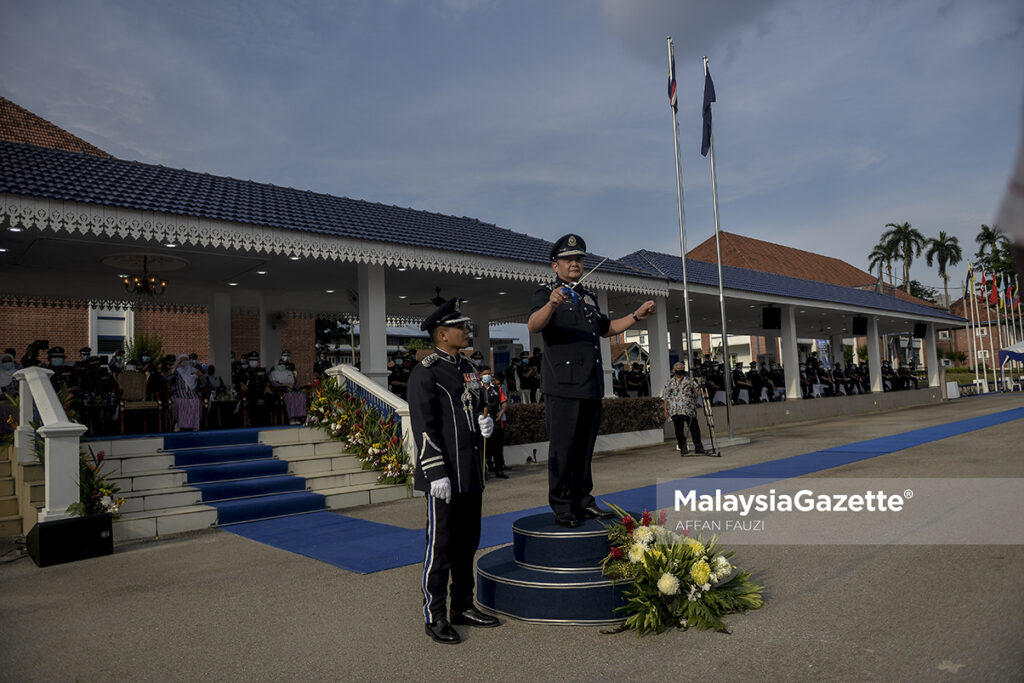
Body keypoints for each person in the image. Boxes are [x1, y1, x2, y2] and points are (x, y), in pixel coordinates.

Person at [528, 233, 656, 528]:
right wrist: (551, 304)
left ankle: (583, 500)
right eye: (568, 259)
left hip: (589, 384)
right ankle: (562, 503)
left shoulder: (587, 296)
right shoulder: (546, 292)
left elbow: (607, 328)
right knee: (563, 447)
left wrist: (636, 315)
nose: (575, 263)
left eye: (579, 259)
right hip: (562, 385)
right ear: (555, 265)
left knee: (584, 446)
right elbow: (534, 324)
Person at [407, 297, 498, 644]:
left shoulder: (468, 367)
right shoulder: (426, 371)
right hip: (444, 475)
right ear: (442, 334)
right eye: (460, 327)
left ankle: (463, 604)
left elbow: (476, 405)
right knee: (442, 545)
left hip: (470, 471)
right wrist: (434, 472)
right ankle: (435, 614)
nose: (466, 331)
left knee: (468, 542)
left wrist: (484, 421)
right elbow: (424, 426)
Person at [662, 363, 705, 455]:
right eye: (677, 368)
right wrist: (665, 410)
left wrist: (703, 391)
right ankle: (683, 448)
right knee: (679, 431)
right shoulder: (669, 382)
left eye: (681, 368)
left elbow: (697, 390)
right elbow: (665, 397)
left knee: (695, 429)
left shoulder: (689, 380)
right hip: (675, 410)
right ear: (673, 370)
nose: (679, 370)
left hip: (689, 409)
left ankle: (698, 447)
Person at [164, 353, 205, 431]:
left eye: (186, 361)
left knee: (196, 401)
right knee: (182, 402)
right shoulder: (176, 372)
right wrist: (176, 366)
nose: (184, 363)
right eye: (182, 361)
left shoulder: (193, 370)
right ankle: (179, 424)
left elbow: (203, 384)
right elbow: (166, 378)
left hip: (192, 394)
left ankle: (194, 425)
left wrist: (200, 375)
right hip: (179, 394)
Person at [482, 371, 509, 478]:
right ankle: (484, 472)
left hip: (496, 420)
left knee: (497, 448)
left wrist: (502, 412)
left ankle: (499, 470)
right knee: (484, 448)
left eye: (490, 375)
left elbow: (504, 403)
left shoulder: (498, 389)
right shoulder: (478, 390)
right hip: (483, 421)